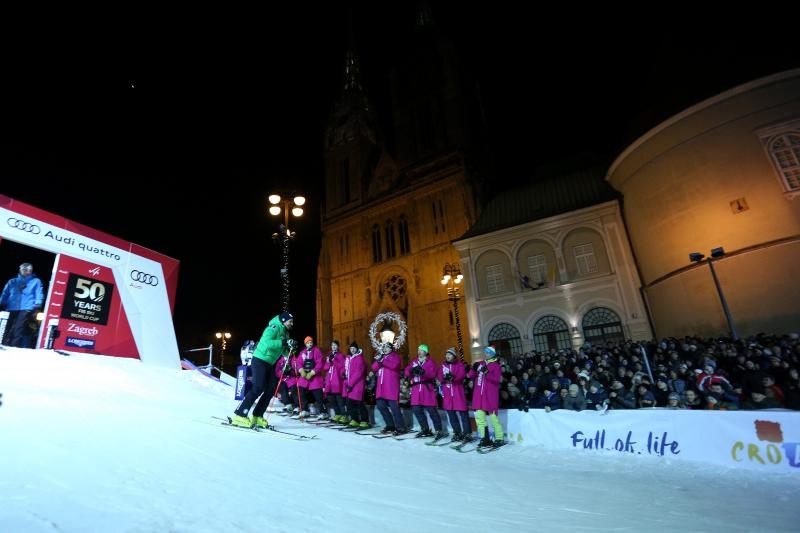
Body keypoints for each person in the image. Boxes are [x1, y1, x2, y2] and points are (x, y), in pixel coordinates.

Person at [231, 312, 295, 428]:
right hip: (259, 360)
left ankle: (257, 416)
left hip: (270, 363)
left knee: (270, 390)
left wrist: (290, 348)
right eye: (290, 321)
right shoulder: (273, 328)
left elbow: (283, 351)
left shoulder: (286, 334)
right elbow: (267, 342)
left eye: (292, 321)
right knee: (258, 387)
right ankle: (240, 415)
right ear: (283, 320)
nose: (292, 323)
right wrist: (284, 342)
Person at [404, 344, 445, 439]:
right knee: (416, 410)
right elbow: (406, 371)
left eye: (421, 350)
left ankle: (439, 430)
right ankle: (425, 429)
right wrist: (411, 370)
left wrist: (423, 372)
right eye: (418, 350)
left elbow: (433, 373)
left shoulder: (431, 362)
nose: (419, 352)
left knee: (432, 410)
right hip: (416, 389)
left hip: (427, 389)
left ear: (425, 352)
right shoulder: (414, 361)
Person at [467, 346, 505, 448]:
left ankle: (499, 438)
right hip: (479, 396)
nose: (486, 354)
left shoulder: (496, 365)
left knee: (493, 418)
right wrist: (473, 368)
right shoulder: (481, 363)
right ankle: (485, 438)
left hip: (490, 396)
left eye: (488, 352)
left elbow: (496, 380)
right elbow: (470, 375)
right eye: (485, 352)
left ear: (493, 354)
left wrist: (486, 372)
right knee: (480, 418)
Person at [0, 263, 44, 348]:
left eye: (30, 270)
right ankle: (3, 343)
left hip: (26, 307)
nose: (27, 272)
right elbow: (5, 293)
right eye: (25, 270)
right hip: (12, 306)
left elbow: (39, 292)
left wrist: (37, 304)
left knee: (19, 327)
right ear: (21, 270)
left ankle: (14, 345)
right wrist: (2, 302)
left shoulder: (36, 281)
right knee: (7, 325)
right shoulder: (13, 281)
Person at [372, 342, 408, 435]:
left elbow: (394, 365)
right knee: (380, 406)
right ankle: (390, 425)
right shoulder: (382, 357)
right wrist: (379, 360)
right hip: (381, 388)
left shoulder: (395, 356)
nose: (385, 349)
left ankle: (401, 427)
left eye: (387, 347)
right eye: (384, 347)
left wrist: (382, 360)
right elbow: (374, 367)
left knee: (394, 408)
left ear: (391, 349)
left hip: (391, 387)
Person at [437, 347, 471, 441]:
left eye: (450, 354)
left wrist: (454, 378)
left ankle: (467, 433)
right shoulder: (443, 365)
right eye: (446, 354)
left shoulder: (459, 364)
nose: (447, 356)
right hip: (448, 394)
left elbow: (462, 374)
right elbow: (439, 376)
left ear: (454, 356)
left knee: (463, 414)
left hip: (457, 393)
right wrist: (444, 378)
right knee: (451, 414)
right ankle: (457, 432)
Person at [343, 341, 369, 428]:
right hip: (351, 385)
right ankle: (355, 420)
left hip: (357, 385)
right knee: (350, 404)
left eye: (354, 348)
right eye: (351, 348)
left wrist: (350, 384)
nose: (352, 350)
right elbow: (348, 372)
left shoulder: (359, 359)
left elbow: (358, 373)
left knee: (359, 404)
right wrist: (344, 377)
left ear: (357, 349)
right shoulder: (350, 358)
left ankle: (365, 421)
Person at [297, 336, 324, 418]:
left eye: (311, 342)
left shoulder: (317, 351)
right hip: (305, 376)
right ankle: (304, 410)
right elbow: (298, 362)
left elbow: (320, 363)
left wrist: (312, 373)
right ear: (305, 344)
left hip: (314, 376)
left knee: (318, 394)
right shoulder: (302, 352)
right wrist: (301, 370)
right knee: (301, 390)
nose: (310, 344)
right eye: (308, 343)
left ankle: (323, 411)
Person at [323, 340, 346, 422]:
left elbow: (343, 367)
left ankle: (344, 415)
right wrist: (329, 361)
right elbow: (325, 368)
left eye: (335, 345)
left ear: (338, 346)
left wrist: (335, 360)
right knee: (332, 399)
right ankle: (337, 414)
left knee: (339, 400)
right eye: (332, 345)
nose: (333, 347)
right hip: (330, 381)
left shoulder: (341, 355)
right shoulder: (329, 355)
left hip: (337, 381)